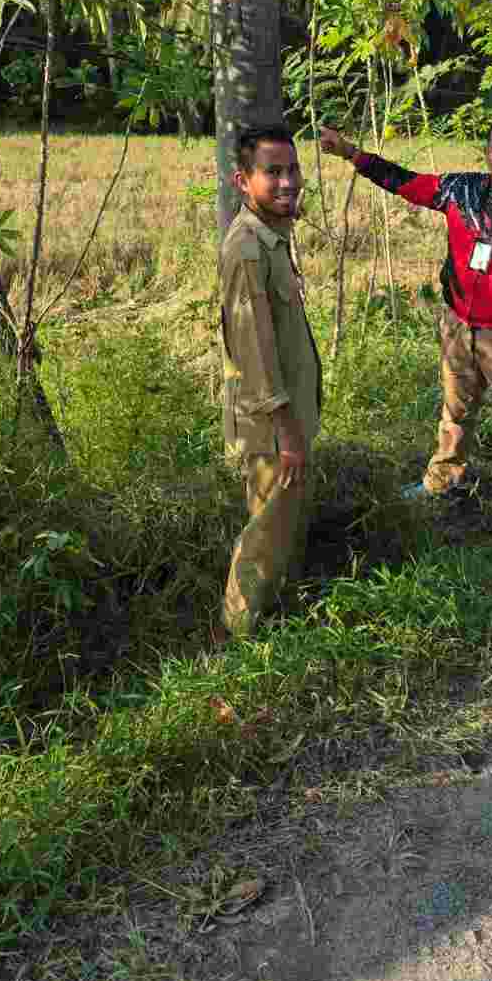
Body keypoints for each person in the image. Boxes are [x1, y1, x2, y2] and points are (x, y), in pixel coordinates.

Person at [318, 116, 492, 524]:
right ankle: (442, 481)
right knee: (455, 411)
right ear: (487, 152)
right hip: (458, 325)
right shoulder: (462, 190)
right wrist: (352, 153)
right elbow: (403, 182)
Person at [218, 125, 322, 636]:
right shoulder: (248, 249)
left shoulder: (274, 238)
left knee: (282, 532)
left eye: (292, 169)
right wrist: (286, 432)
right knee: (263, 539)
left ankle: (277, 627)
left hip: (288, 425)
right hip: (270, 430)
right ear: (243, 180)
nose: (287, 182)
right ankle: (238, 639)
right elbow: (255, 352)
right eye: (272, 172)